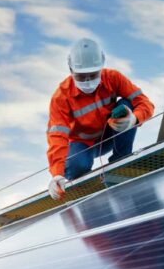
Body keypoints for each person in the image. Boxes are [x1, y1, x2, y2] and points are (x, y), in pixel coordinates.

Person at [47, 38, 154, 200]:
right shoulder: (61, 97)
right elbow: (57, 136)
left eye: (93, 74)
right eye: (82, 77)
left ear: (101, 67)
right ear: (71, 70)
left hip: (110, 134)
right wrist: (57, 174)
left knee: (127, 104)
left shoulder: (113, 78)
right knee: (77, 167)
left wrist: (134, 119)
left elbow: (144, 102)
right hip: (82, 145)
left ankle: (120, 161)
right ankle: (81, 185)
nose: (88, 81)